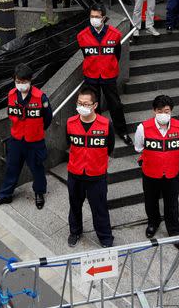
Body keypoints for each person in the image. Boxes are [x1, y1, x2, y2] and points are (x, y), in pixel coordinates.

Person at [0, 63, 52, 209]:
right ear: (14, 80)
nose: (21, 85)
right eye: (18, 82)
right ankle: (5, 195)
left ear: (30, 80)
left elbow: (48, 118)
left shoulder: (40, 97)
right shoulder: (11, 95)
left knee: (37, 168)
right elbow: (11, 115)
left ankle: (39, 193)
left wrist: (36, 131)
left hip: (34, 141)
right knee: (12, 167)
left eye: (24, 82)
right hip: (16, 140)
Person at [65, 85, 114, 248]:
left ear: (95, 105)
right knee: (75, 205)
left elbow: (110, 147)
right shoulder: (70, 123)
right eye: (79, 103)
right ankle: (75, 231)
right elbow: (69, 143)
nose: (82, 107)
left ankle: (105, 237)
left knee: (100, 208)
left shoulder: (106, 124)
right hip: (75, 173)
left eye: (86, 104)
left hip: (97, 175)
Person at [77, 3, 131, 145]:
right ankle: (98, 131)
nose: (94, 19)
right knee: (93, 105)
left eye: (97, 17)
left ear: (104, 18)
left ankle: (122, 131)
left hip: (109, 75)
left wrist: (109, 66)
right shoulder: (82, 36)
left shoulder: (115, 34)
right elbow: (85, 55)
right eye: (92, 16)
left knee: (115, 104)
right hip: (91, 75)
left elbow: (117, 54)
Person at [134, 94, 179, 238]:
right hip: (150, 173)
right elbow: (138, 147)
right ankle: (153, 223)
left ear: (171, 111)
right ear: (154, 111)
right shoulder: (142, 128)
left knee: (172, 203)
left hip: (172, 173)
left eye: (166, 111)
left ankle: (173, 230)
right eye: (160, 111)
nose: (163, 114)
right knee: (151, 201)